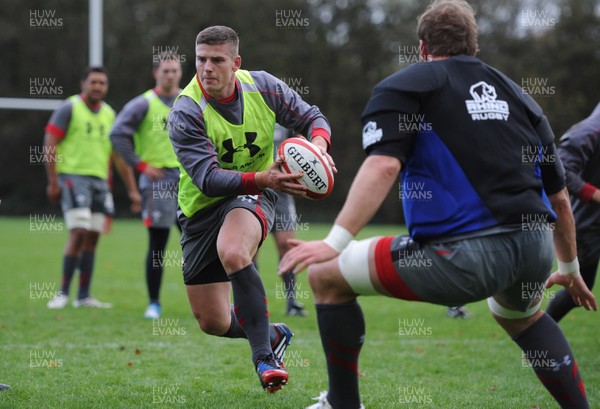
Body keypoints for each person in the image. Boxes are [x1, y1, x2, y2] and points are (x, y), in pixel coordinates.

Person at [280, 1, 597, 408]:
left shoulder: (407, 84)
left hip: (462, 254)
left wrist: (335, 241)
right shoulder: (519, 96)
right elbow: (559, 197)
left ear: (422, 47)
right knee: (522, 316)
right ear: (474, 46)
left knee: (325, 275)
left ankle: (343, 404)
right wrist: (569, 268)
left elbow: (382, 167)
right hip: (534, 249)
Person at [167, 26, 334, 393]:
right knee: (212, 321)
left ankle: (263, 359)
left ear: (236, 62)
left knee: (233, 250)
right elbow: (208, 178)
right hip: (201, 208)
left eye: (216, 60)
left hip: (252, 196)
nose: (206, 68)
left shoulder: (264, 86)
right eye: (200, 60)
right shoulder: (186, 110)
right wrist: (264, 178)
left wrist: (318, 148)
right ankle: (272, 335)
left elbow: (313, 118)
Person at [45, 66, 141, 309]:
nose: (98, 86)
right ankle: (63, 293)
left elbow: (119, 157)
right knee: (78, 231)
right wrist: (53, 181)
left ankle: (84, 296)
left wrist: (132, 189)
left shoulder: (110, 114)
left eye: (102, 83)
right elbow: (50, 142)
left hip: (100, 181)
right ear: (83, 84)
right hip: (73, 177)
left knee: (93, 236)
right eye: (94, 82)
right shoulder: (70, 108)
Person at [110, 53, 182, 319]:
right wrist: (140, 165)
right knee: (158, 244)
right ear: (156, 73)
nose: (170, 75)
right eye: (166, 71)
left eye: (175, 70)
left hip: (189, 181)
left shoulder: (190, 100)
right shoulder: (143, 104)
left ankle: (210, 301)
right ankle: (154, 302)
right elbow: (117, 134)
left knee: (198, 242)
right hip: (158, 182)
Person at [546, 103, 600, 322]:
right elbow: (563, 170)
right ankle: (538, 337)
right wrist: (596, 194)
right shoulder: (588, 132)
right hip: (587, 226)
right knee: (579, 286)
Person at [272, 124, 308, 317]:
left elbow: (301, 141)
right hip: (253, 189)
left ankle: (292, 301)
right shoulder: (245, 109)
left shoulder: (282, 114)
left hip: (282, 193)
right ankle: (248, 303)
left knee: (287, 246)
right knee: (248, 252)